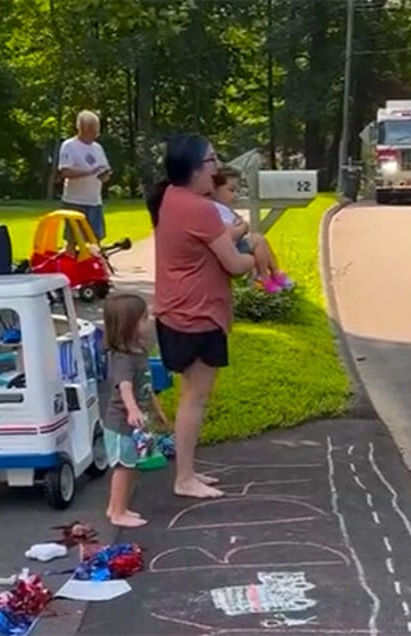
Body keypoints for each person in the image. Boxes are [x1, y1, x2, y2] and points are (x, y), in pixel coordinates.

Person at [148, 134, 256, 499]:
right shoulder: (199, 208)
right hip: (194, 314)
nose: (216, 166)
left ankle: (189, 471)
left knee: (192, 396)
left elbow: (208, 246)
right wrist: (256, 256)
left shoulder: (172, 199)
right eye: (211, 160)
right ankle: (184, 478)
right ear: (194, 169)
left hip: (178, 310)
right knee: (195, 397)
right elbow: (235, 264)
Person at [102, 293, 170, 528]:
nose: (148, 322)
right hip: (121, 423)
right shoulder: (123, 358)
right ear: (129, 326)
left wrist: (157, 411)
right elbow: (125, 387)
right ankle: (118, 512)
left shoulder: (138, 353)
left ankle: (116, 507)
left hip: (135, 423)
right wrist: (132, 410)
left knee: (131, 467)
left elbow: (146, 388)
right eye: (144, 319)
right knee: (123, 467)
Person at [210, 166, 292, 293]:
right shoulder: (215, 208)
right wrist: (243, 225)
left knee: (260, 240)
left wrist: (241, 224)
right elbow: (230, 232)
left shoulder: (223, 207)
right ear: (214, 189)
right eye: (231, 190)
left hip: (234, 246)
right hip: (229, 250)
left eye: (237, 190)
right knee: (258, 240)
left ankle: (275, 273)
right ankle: (264, 278)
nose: (235, 195)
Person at [58, 110, 112, 246]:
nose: (95, 133)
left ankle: (96, 266)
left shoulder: (98, 148)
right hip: (74, 201)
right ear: (81, 128)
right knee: (73, 240)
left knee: (95, 239)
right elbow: (65, 171)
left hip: (94, 201)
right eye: (92, 129)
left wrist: (105, 175)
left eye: (96, 129)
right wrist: (88, 172)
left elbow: (104, 171)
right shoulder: (69, 146)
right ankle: (70, 265)